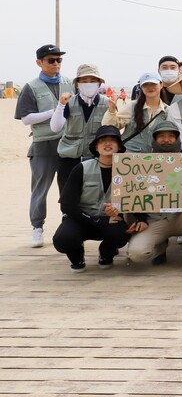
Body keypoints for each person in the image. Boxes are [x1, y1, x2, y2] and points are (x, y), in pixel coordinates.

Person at [124, 121, 182, 273]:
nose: (166, 140)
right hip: (155, 221)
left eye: (171, 136)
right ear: (154, 140)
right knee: (137, 254)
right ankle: (160, 247)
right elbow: (132, 196)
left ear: (177, 139)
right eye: (161, 136)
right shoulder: (142, 164)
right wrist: (140, 219)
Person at [52, 125, 130, 272]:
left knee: (121, 234)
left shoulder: (127, 170)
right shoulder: (81, 168)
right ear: (96, 147)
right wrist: (95, 220)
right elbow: (67, 205)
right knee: (63, 239)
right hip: (80, 220)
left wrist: (122, 214)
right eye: (102, 141)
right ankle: (77, 256)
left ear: (119, 146)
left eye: (113, 140)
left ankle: (106, 253)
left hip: (109, 221)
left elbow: (134, 199)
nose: (107, 143)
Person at [15, 44, 71, 247]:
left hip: (68, 143)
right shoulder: (31, 87)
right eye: (51, 60)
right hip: (43, 144)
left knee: (69, 187)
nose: (56, 63)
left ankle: (69, 222)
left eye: (59, 60)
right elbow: (26, 118)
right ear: (39, 62)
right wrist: (56, 110)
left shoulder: (69, 83)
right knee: (40, 188)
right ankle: (37, 227)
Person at [50, 63, 108, 195]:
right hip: (69, 157)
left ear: (99, 84)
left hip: (96, 158)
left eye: (93, 81)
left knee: (93, 195)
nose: (88, 84)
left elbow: (112, 129)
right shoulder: (69, 102)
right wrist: (61, 105)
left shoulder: (106, 104)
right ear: (77, 84)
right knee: (68, 195)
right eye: (84, 81)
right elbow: (55, 127)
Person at [102, 72, 168, 153]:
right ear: (141, 87)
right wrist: (112, 110)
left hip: (155, 159)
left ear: (161, 85)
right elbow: (109, 126)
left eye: (153, 84)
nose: (150, 87)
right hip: (129, 158)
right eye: (145, 85)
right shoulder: (132, 106)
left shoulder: (167, 110)